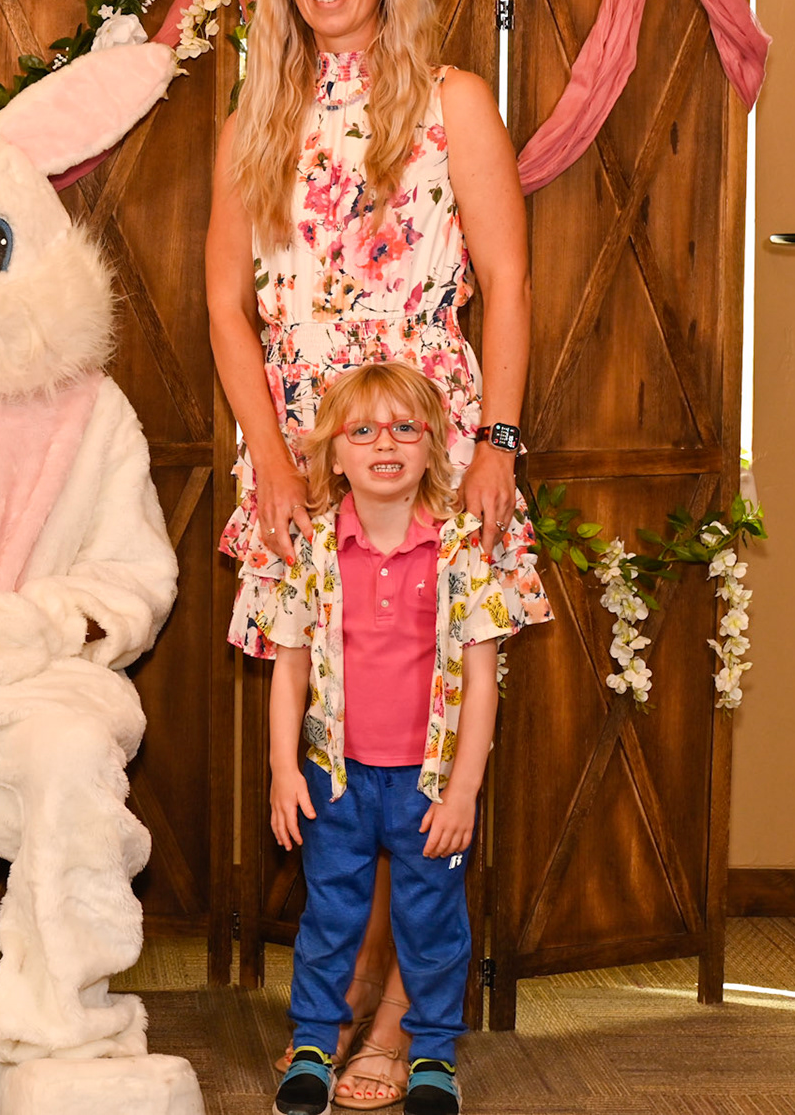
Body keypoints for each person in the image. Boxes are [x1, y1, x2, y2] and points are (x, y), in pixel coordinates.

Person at [203, 0, 553, 1109]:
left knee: (433, 718)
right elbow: (225, 307)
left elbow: (507, 280)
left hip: (432, 445)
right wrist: (272, 456)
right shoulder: (257, 118)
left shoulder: (454, 101)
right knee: (341, 727)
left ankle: (401, 1016)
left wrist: (498, 439)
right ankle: (342, 988)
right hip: (309, 457)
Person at [263, 362, 514, 1115]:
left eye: (407, 428)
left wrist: (464, 789)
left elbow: (482, 681)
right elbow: (289, 667)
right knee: (328, 915)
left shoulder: (461, 553)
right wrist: (284, 770)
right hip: (336, 778)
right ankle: (315, 1042)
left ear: (433, 448)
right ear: (334, 454)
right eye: (364, 430)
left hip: (426, 786)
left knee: (433, 921)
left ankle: (432, 1052)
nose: (385, 443)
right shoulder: (313, 554)